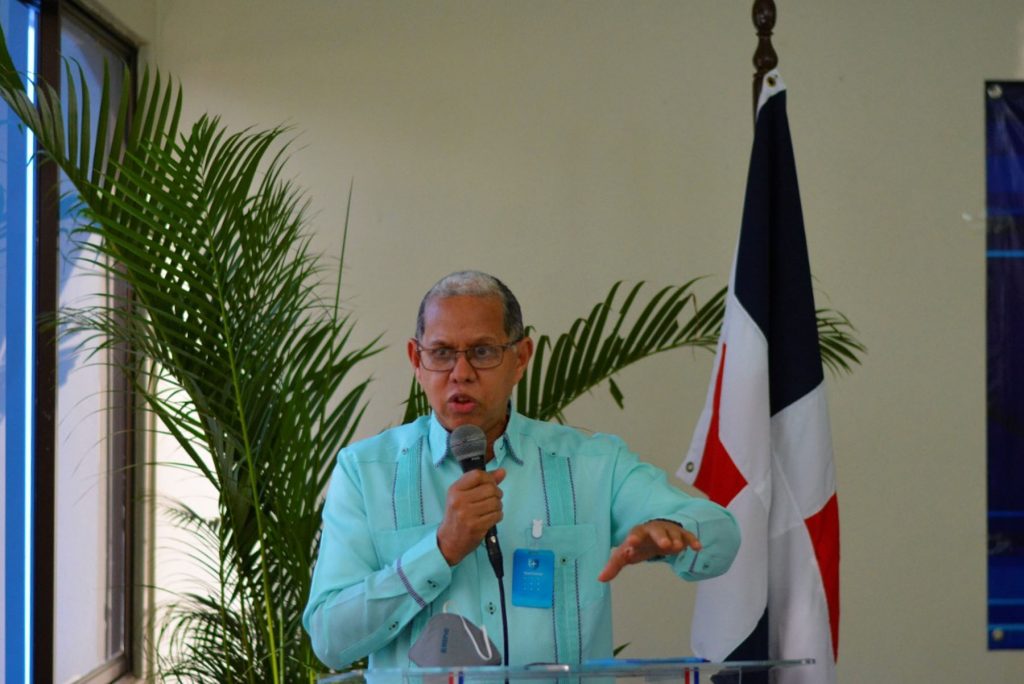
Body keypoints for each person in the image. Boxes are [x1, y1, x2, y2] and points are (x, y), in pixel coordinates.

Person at [303, 271, 740, 670]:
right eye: (441, 353)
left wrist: (672, 532)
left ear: (521, 357)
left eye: (483, 352)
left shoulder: (591, 464)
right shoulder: (366, 472)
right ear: (416, 361)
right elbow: (329, 638)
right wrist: (440, 550)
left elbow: (721, 533)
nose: (461, 373)